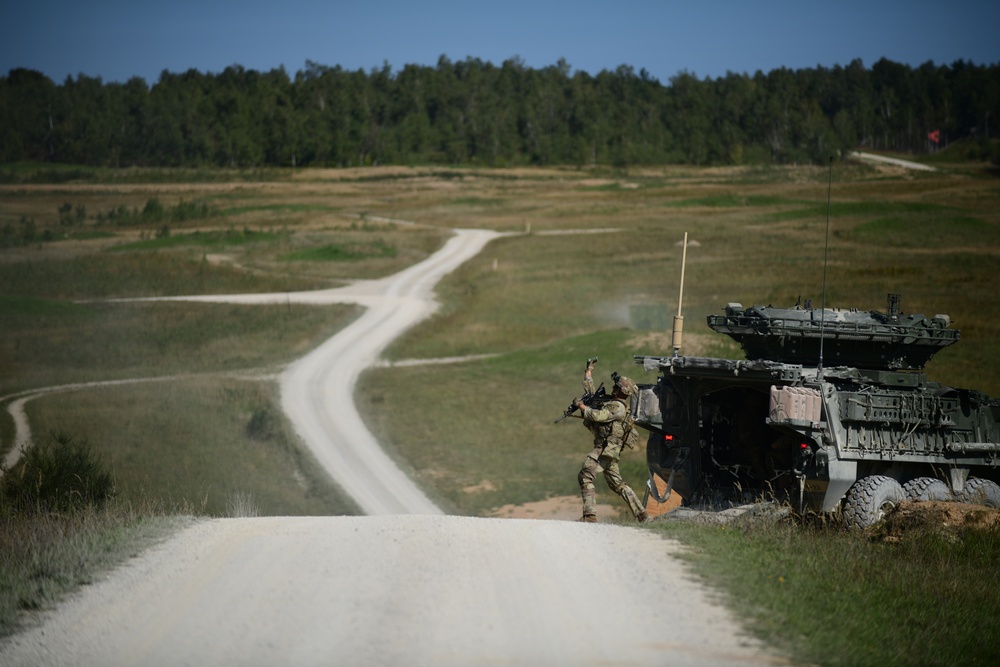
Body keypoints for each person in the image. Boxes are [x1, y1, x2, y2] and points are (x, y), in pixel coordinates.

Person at [573, 358, 650, 524]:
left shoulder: (617, 407)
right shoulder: (614, 404)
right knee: (618, 485)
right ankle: (643, 515)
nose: (613, 388)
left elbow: (598, 415)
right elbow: (593, 398)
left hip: (604, 449)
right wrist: (589, 372)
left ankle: (589, 516)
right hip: (610, 452)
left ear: (622, 391)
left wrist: (582, 407)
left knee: (585, 475)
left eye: (616, 387)